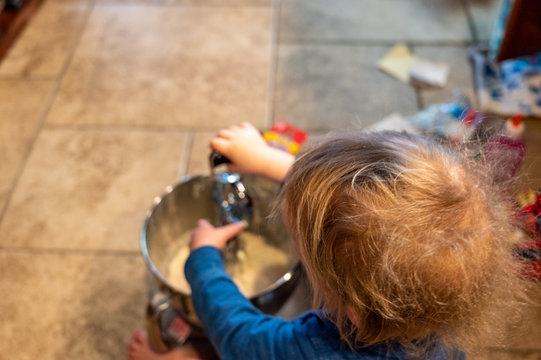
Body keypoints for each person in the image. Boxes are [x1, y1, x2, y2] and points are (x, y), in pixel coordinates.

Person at [129, 122, 525, 360]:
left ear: (351, 311)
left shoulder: (313, 349)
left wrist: (204, 262)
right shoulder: (440, 311)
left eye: (303, 242)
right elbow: (354, 211)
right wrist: (267, 160)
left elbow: (238, 336)